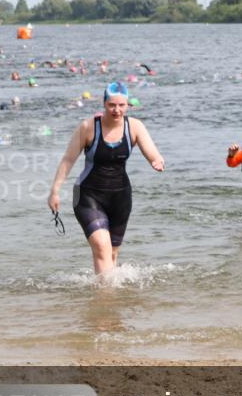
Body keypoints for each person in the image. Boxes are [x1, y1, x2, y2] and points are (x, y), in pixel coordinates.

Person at [47, 82, 165, 276]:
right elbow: (68, 160)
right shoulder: (88, 128)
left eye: (121, 105)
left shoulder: (134, 126)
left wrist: (156, 160)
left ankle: (106, 293)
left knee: (112, 253)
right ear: (104, 104)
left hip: (120, 197)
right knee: (102, 247)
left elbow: (152, 152)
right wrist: (55, 191)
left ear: (127, 105)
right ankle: (106, 292)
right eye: (112, 105)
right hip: (87, 196)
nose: (117, 110)